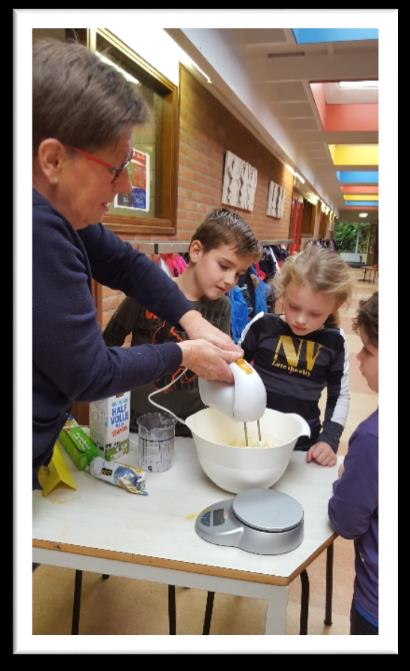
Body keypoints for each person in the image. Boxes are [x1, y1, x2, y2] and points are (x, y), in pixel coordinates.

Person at [32, 38, 243, 489]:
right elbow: (90, 372)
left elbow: (127, 267)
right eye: (116, 168)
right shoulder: (37, 231)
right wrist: (185, 352)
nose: (127, 185)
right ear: (53, 159)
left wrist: (192, 322)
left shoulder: (63, 213)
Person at [103, 208, 261, 435]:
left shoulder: (223, 307)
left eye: (238, 274)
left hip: (192, 425)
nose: (230, 281)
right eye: (224, 266)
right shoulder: (146, 294)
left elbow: (217, 367)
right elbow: (107, 345)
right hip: (138, 422)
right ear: (196, 251)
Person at [240, 245, 352, 466]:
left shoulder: (335, 341)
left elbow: (339, 396)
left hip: (302, 445)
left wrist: (328, 440)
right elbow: (234, 368)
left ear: (335, 305)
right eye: (293, 306)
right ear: (283, 292)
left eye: (315, 313)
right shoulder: (262, 325)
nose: (301, 320)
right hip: (251, 435)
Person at [328, 292, 378, 635]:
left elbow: (346, 520)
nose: (359, 358)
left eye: (370, 350)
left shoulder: (374, 438)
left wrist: (346, 477)